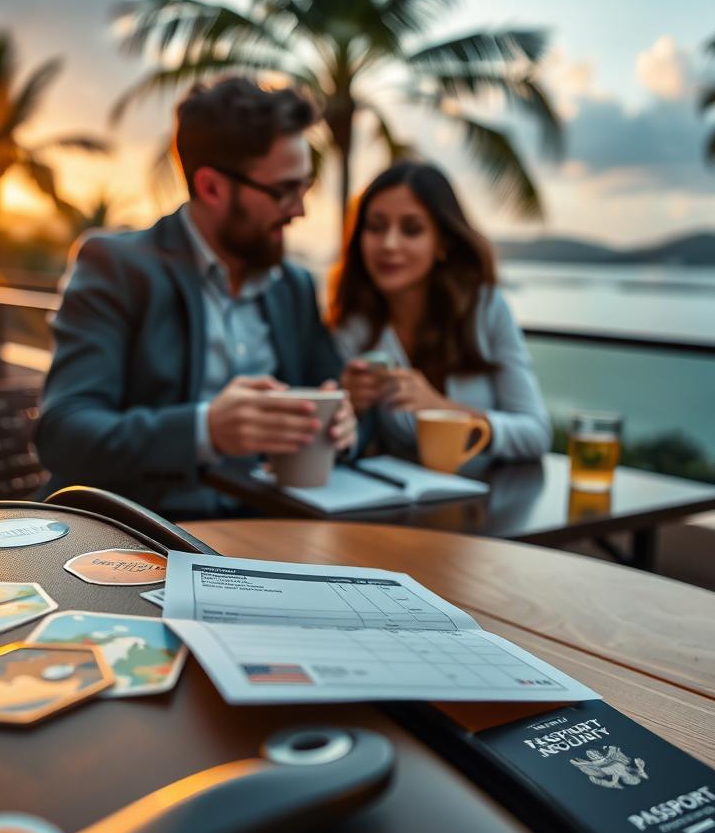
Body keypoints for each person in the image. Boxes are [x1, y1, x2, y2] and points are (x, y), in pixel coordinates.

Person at [36, 77, 355, 517]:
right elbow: (65, 434)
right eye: (284, 190)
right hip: (144, 540)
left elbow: (335, 391)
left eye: (306, 185)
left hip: (275, 534)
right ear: (211, 187)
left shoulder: (293, 286)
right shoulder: (116, 266)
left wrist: (344, 423)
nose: (300, 209)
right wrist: (206, 430)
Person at [328, 160, 551, 462]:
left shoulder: (485, 310)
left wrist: (439, 409)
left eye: (412, 229)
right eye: (376, 227)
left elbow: (535, 434)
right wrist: (349, 406)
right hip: (399, 503)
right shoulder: (354, 327)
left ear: (442, 243)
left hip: (491, 499)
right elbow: (354, 443)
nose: (389, 244)